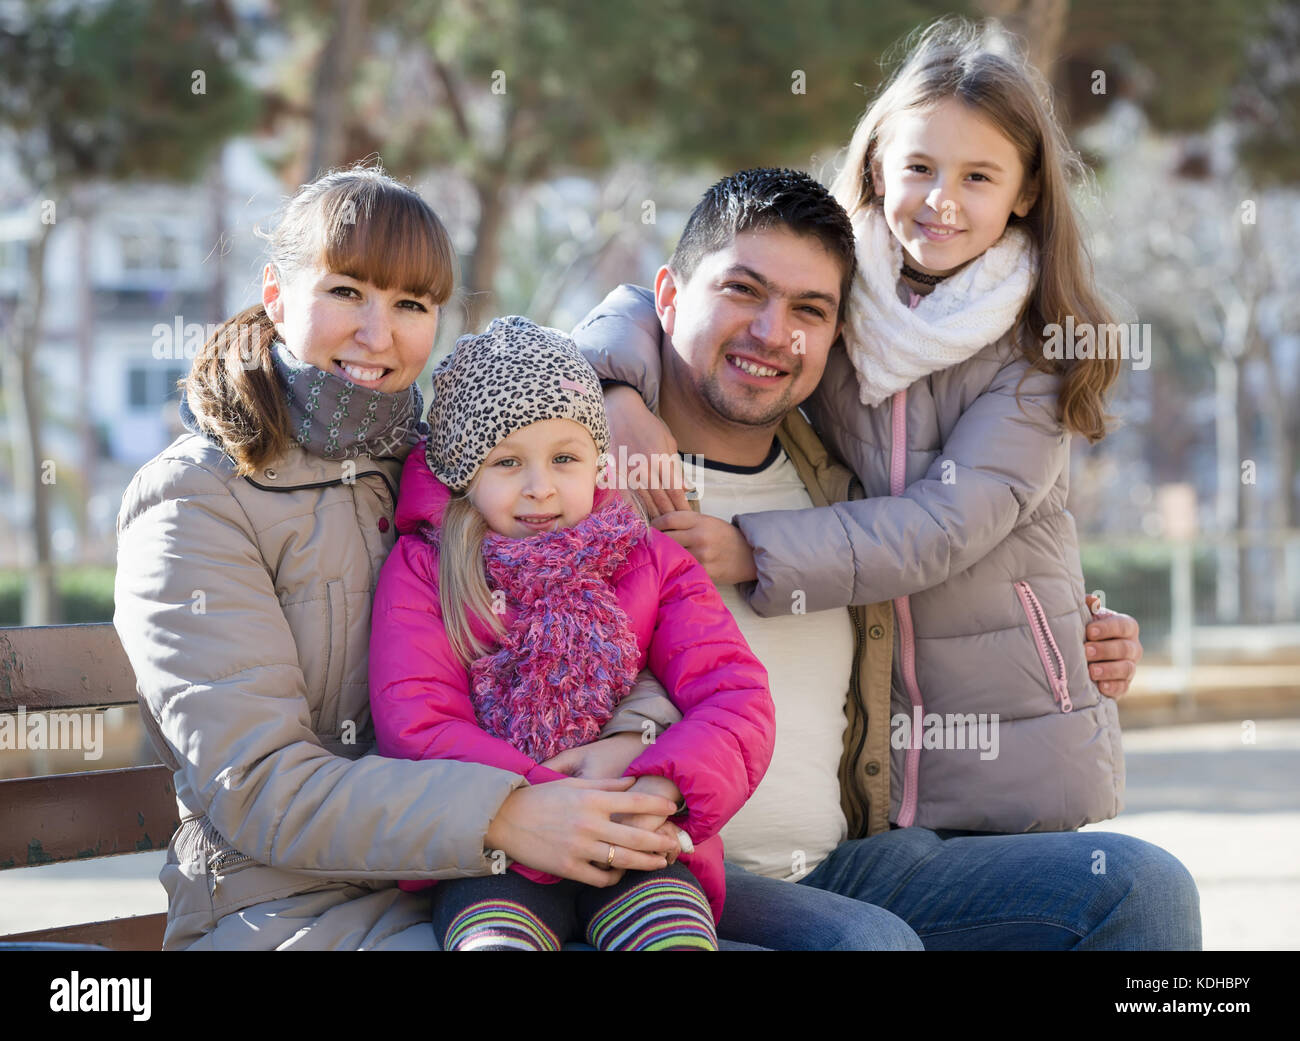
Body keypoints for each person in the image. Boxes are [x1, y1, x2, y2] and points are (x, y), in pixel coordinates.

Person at [575, 163, 1201, 945]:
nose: (774, 333)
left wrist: (1086, 629)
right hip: (666, 871)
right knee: (869, 945)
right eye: (743, 291)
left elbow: (959, 560)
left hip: (847, 865)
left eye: (810, 308)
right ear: (668, 297)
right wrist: (605, 390)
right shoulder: (571, 471)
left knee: (1141, 890)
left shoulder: (844, 485)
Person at [112, 165, 695, 951]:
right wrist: (503, 814)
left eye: (411, 304)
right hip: (291, 906)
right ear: (278, 294)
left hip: (486, 879)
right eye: (347, 291)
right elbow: (258, 786)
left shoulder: (451, 478)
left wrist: (633, 741)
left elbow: (623, 618)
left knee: (858, 937)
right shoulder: (195, 501)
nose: (378, 334)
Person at [366, 316, 780, 950]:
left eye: (564, 458)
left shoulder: (648, 559)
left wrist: (659, 784)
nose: (541, 488)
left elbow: (736, 696)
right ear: (463, 476)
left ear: (596, 461)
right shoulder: (428, 568)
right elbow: (417, 722)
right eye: (506, 462)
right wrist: (542, 801)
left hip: (636, 833)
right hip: (494, 849)